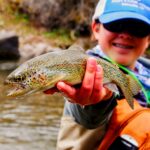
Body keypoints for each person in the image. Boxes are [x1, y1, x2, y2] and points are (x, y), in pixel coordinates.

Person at [44, 0, 150, 149]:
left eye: (137, 29)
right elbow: (88, 119)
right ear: (96, 28)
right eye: (116, 25)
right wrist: (96, 102)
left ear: (149, 38)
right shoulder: (79, 66)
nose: (126, 35)